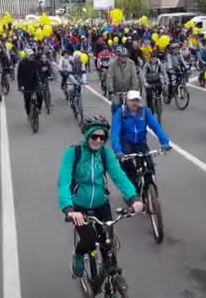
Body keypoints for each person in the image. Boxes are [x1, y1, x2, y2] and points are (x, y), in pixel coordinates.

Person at [57, 116, 144, 278]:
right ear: (87, 135)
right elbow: (63, 182)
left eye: (102, 137)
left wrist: (134, 198)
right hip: (79, 207)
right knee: (89, 241)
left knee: (108, 246)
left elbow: (119, 176)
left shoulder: (106, 154)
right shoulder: (72, 153)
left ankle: (113, 287)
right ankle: (78, 254)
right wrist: (68, 209)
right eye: (94, 136)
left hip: (101, 204)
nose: (98, 140)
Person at [111, 90, 171, 190]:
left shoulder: (144, 111)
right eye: (132, 100)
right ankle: (131, 191)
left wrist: (165, 142)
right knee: (127, 167)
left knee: (149, 165)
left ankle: (150, 188)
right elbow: (115, 132)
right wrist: (118, 151)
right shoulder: (120, 113)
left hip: (140, 142)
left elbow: (156, 127)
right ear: (127, 101)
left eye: (137, 100)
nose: (135, 103)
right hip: (126, 143)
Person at [106, 46, 140, 111]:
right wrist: (111, 89)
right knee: (115, 107)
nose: (124, 58)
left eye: (125, 56)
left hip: (128, 89)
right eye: (122, 56)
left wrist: (134, 88)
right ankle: (116, 120)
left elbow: (134, 76)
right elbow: (110, 77)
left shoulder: (131, 63)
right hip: (116, 90)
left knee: (133, 108)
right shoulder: (113, 64)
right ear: (118, 56)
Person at [17, 49, 43, 117]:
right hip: (26, 84)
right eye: (30, 56)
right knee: (27, 100)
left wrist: (42, 80)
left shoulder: (36, 63)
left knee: (40, 95)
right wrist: (20, 86)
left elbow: (40, 72)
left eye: (32, 56)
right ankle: (28, 112)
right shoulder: (22, 63)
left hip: (35, 82)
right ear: (27, 56)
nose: (32, 57)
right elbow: (19, 76)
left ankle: (39, 108)